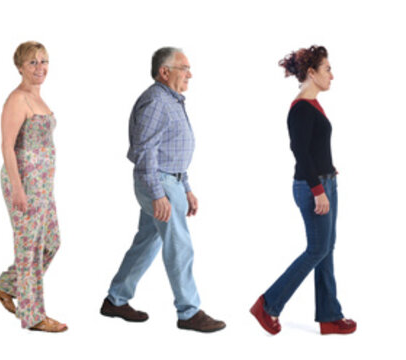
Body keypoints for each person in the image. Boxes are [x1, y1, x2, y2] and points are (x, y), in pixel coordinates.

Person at [101, 47, 225, 333]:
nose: (190, 74)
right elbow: (145, 152)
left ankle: (116, 300)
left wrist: (187, 187)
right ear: (164, 71)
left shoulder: (171, 100)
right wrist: (159, 194)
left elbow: (171, 150)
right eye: (184, 68)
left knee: (148, 241)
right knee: (180, 246)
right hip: (159, 182)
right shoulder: (157, 101)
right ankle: (189, 312)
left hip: (171, 180)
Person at [249, 45, 356, 336]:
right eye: (327, 69)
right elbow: (300, 153)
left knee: (326, 250)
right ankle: (268, 304)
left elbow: (315, 149)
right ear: (312, 73)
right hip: (313, 188)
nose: (332, 75)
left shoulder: (314, 105)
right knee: (317, 249)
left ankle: (330, 316)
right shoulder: (300, 109)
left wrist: (329, 176)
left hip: (325, 183)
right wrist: (319, 189)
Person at [0, 41, 66, 333]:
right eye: (32, 63)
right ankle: (33, 316)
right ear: (19, 67)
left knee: (50, 243)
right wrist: (18, 188)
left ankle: (3, 286)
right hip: (24, 182)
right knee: (29, 248)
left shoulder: (39, 99)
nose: (39, 68)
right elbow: (7, 146)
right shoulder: (17, 99)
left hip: (43, 185)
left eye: (44, 61)